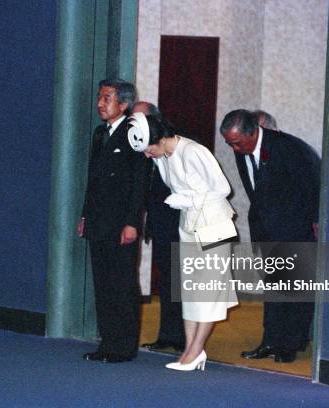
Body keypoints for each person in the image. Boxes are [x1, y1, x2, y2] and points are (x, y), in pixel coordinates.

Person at [128, 113, 238, 371]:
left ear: (159, 139)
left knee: (207, 292)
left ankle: (196, 350)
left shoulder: (193, 151)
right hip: (188, 224)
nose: (147, 155)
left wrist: (189, 200)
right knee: (189, 291)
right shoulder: (163, 157)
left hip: (212, 224)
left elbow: (222, 189)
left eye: (148, 149)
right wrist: (185, 202)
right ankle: (191, 350)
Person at [220, 109, 320, 363]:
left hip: (294, 228)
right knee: (273, 289)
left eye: (237, 142)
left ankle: (290, 345)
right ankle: (270, 341)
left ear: (253, 132)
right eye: (229, 143)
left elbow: (312, 184)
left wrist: (314, 223)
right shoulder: (243, 150)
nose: (234, 149)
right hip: (266, 229)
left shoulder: (288, 148)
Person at [78, 79, 147, 363]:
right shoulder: (99, 133)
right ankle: (107, 343)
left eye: (106, 98)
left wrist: (132, 223)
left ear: (124, 104)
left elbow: (140, 183)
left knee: (122, 285)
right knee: (103, 285)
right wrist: (85, 215)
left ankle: (124, 347)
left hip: (121, 224)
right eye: (99, 97)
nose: (99, 103)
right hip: (98, 221)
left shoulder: (134, 134)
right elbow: (92, 180)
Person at [132, 102, 185, 353]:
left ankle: (186, 338)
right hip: (160, 223)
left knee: (183, 282)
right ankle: (168, 335)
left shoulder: (178, 145)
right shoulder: (138, 144)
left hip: (182, 224)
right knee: (166, 282)